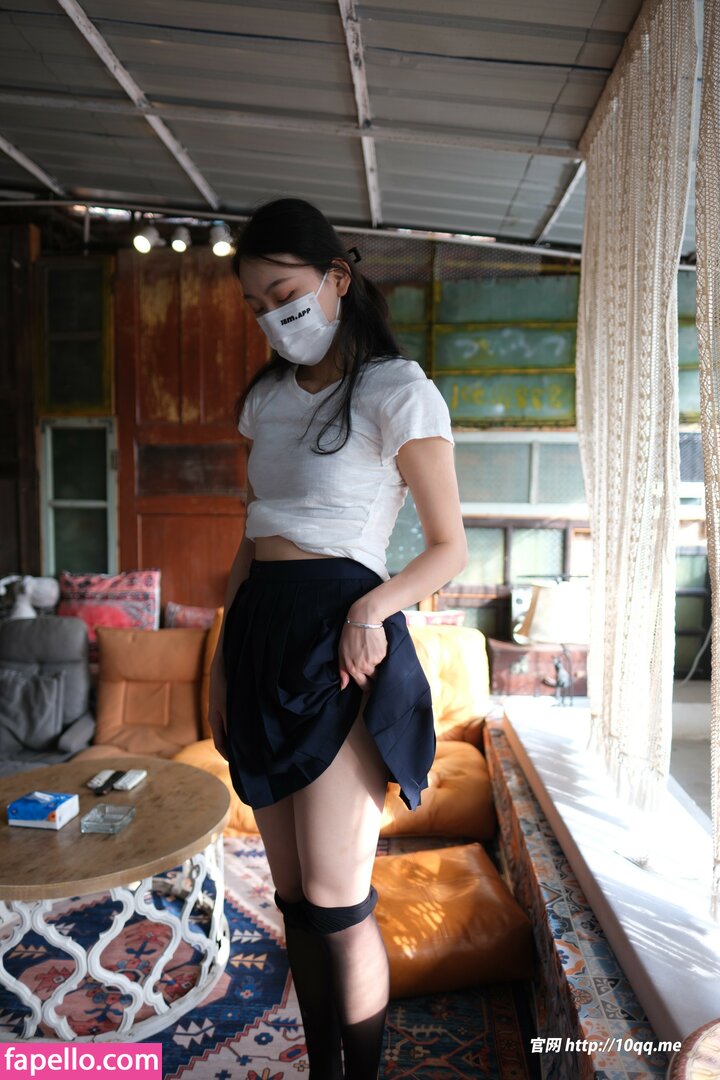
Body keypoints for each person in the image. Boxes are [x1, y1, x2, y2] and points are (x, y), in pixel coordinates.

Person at [208, 197, 467, 1080]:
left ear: (337, 279)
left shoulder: (399, 391)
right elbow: (251, 540)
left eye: (283, 295)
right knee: (291, 898)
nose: (270, 317)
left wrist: (369, 611)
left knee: (335, 899)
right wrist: (221, 663)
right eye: (255, 305)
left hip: (341, 637)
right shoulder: (267, 400)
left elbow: (448, 548)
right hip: (261, 631)